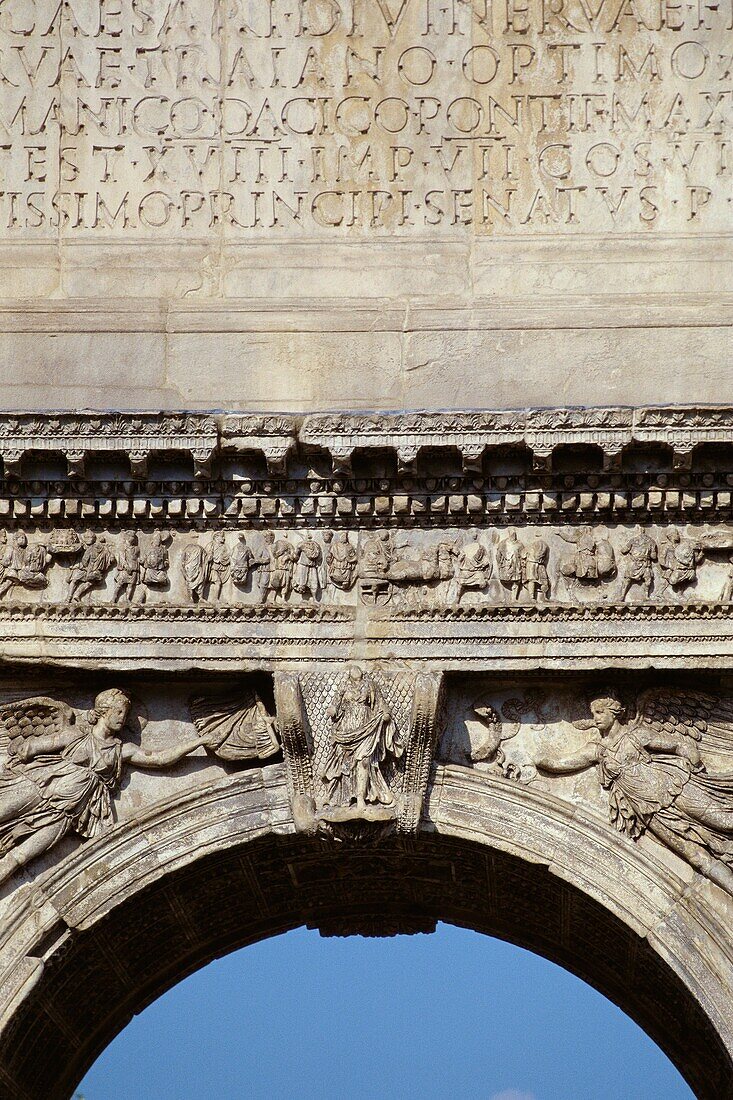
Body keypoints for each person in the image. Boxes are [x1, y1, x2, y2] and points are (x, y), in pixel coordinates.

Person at [533, 691, 733, 897]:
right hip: (648, 811)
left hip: (672, 787)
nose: (596, 718)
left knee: (726, 822)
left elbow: (680, 744)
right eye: (594, 714)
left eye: (600, 712)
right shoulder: (597, 750)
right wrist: (540, 759)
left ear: (615, 712)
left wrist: (695, 766)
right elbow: (564, 763)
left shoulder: (636, 735)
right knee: (695, 856)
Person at [0, 689, 207, 885]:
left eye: (125, 714)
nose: (122, 718)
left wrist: (199, 741)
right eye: (118, 712)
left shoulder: (122, 750)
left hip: (69, 812)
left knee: (19, 857)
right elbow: (31, 748)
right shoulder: (75, 735)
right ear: (103, 711)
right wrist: (22, 752)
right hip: (42, 785)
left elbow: (160, 759)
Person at [322, 667, 405, 812]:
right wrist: (332, 710)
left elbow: (381, 703)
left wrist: (385, 714)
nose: (355, 670)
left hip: (366, 727)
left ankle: (361, 797)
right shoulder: (344, 685)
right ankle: (346, 796)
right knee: (345, 763)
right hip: (346, 729)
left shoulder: (370, 684)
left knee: (365, 761)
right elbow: (335, 704)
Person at [0, 533, 51, 598]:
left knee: (37, 579)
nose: (24, 540)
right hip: (12, 570)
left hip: (21, 571)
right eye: (22, 538)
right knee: (10, 579)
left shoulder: (23, 549)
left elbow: (32, 550)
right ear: (15, 539)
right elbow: (6, 562)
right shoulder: (10, 548)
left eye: (24, 538)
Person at [68, 533, 115, 603]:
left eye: (90, 538)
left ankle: (70, 597)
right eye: (87, 537)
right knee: (89, 583)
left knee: (75, 580)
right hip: (96, 570)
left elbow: (84, 560)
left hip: (86, 569)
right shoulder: (105, 550)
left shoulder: (92, 548)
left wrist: (85, 567)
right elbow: (112, 559)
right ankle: (76, 595)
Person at [619, 527, 657, 601]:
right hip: (644, 563)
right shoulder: (651, 541)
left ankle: (622, 596)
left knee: (627, 579)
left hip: (636, 562)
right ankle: (646, 596)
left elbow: (624, 550)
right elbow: (653, 556)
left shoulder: (633, 540)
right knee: (647, 579)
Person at [181, 534, 211, 602]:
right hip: (189, 568)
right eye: (193, 538)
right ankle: (191, 597)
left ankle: (200, 597)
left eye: (196, 538)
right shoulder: (187, 548)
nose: (195, 540)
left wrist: (208, 558)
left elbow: (205, 557)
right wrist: (184, 566)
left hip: (198, 567)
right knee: (189, 582)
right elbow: (183, 558)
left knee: (200, 581)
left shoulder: (200, 548)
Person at [112, 531, 141, 604]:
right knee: (120, 583)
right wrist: (126, 566)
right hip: (125, 569)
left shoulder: (136, 548)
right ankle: (114, 598)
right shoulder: (123, 547)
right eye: (131, 536)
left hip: (134, 567)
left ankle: (127, 599)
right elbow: (121, 558)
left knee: (131, 584)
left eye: (133, 537)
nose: (132, 538)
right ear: (127, 537)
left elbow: (138, 558)